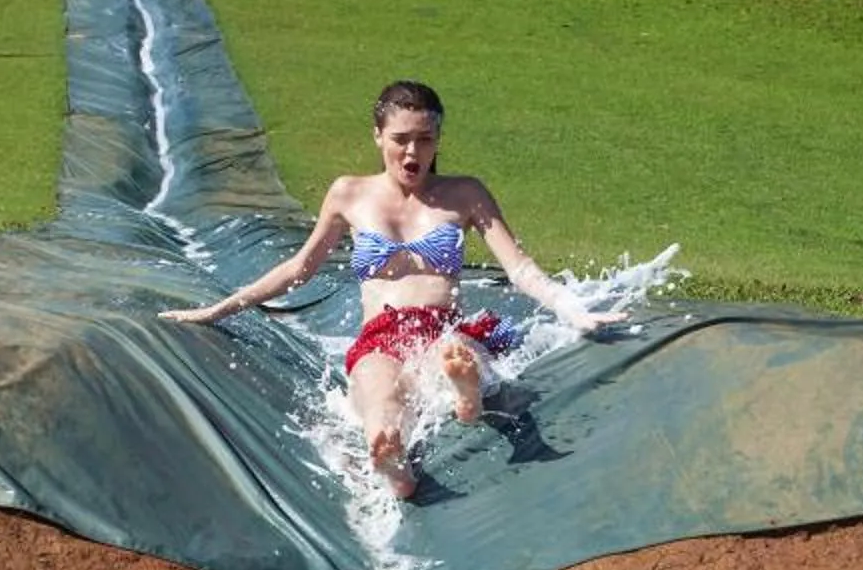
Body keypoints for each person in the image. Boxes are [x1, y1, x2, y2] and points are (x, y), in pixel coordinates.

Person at [161, 80, 616, 499]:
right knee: (378, 390)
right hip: (380, 335)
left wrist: (571, 309)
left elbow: (518, 269)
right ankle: (393, 458)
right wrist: (220, 309)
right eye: (401, 139)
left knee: (454, 351)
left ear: (438, 139)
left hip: (441, 327)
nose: (413, 151)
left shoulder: (464, 193)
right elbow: (300, 268)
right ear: (378, 136)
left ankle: (466, 393)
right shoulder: (349, 194)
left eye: (425, 139)